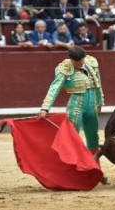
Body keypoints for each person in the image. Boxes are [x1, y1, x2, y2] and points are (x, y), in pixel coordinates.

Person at [38, 46, 105, 182]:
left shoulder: (91, 62)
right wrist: (45, 108)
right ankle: (74, 172)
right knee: (73, 140)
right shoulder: (64, 68)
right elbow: (54, 88)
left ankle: (96, 169)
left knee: (93, 138)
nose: (80, 64)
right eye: (77, 63)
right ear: (71, 60)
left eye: (81, 61)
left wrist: (99, 103)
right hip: (76, 106)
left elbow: (98, 84)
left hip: (91, 105)